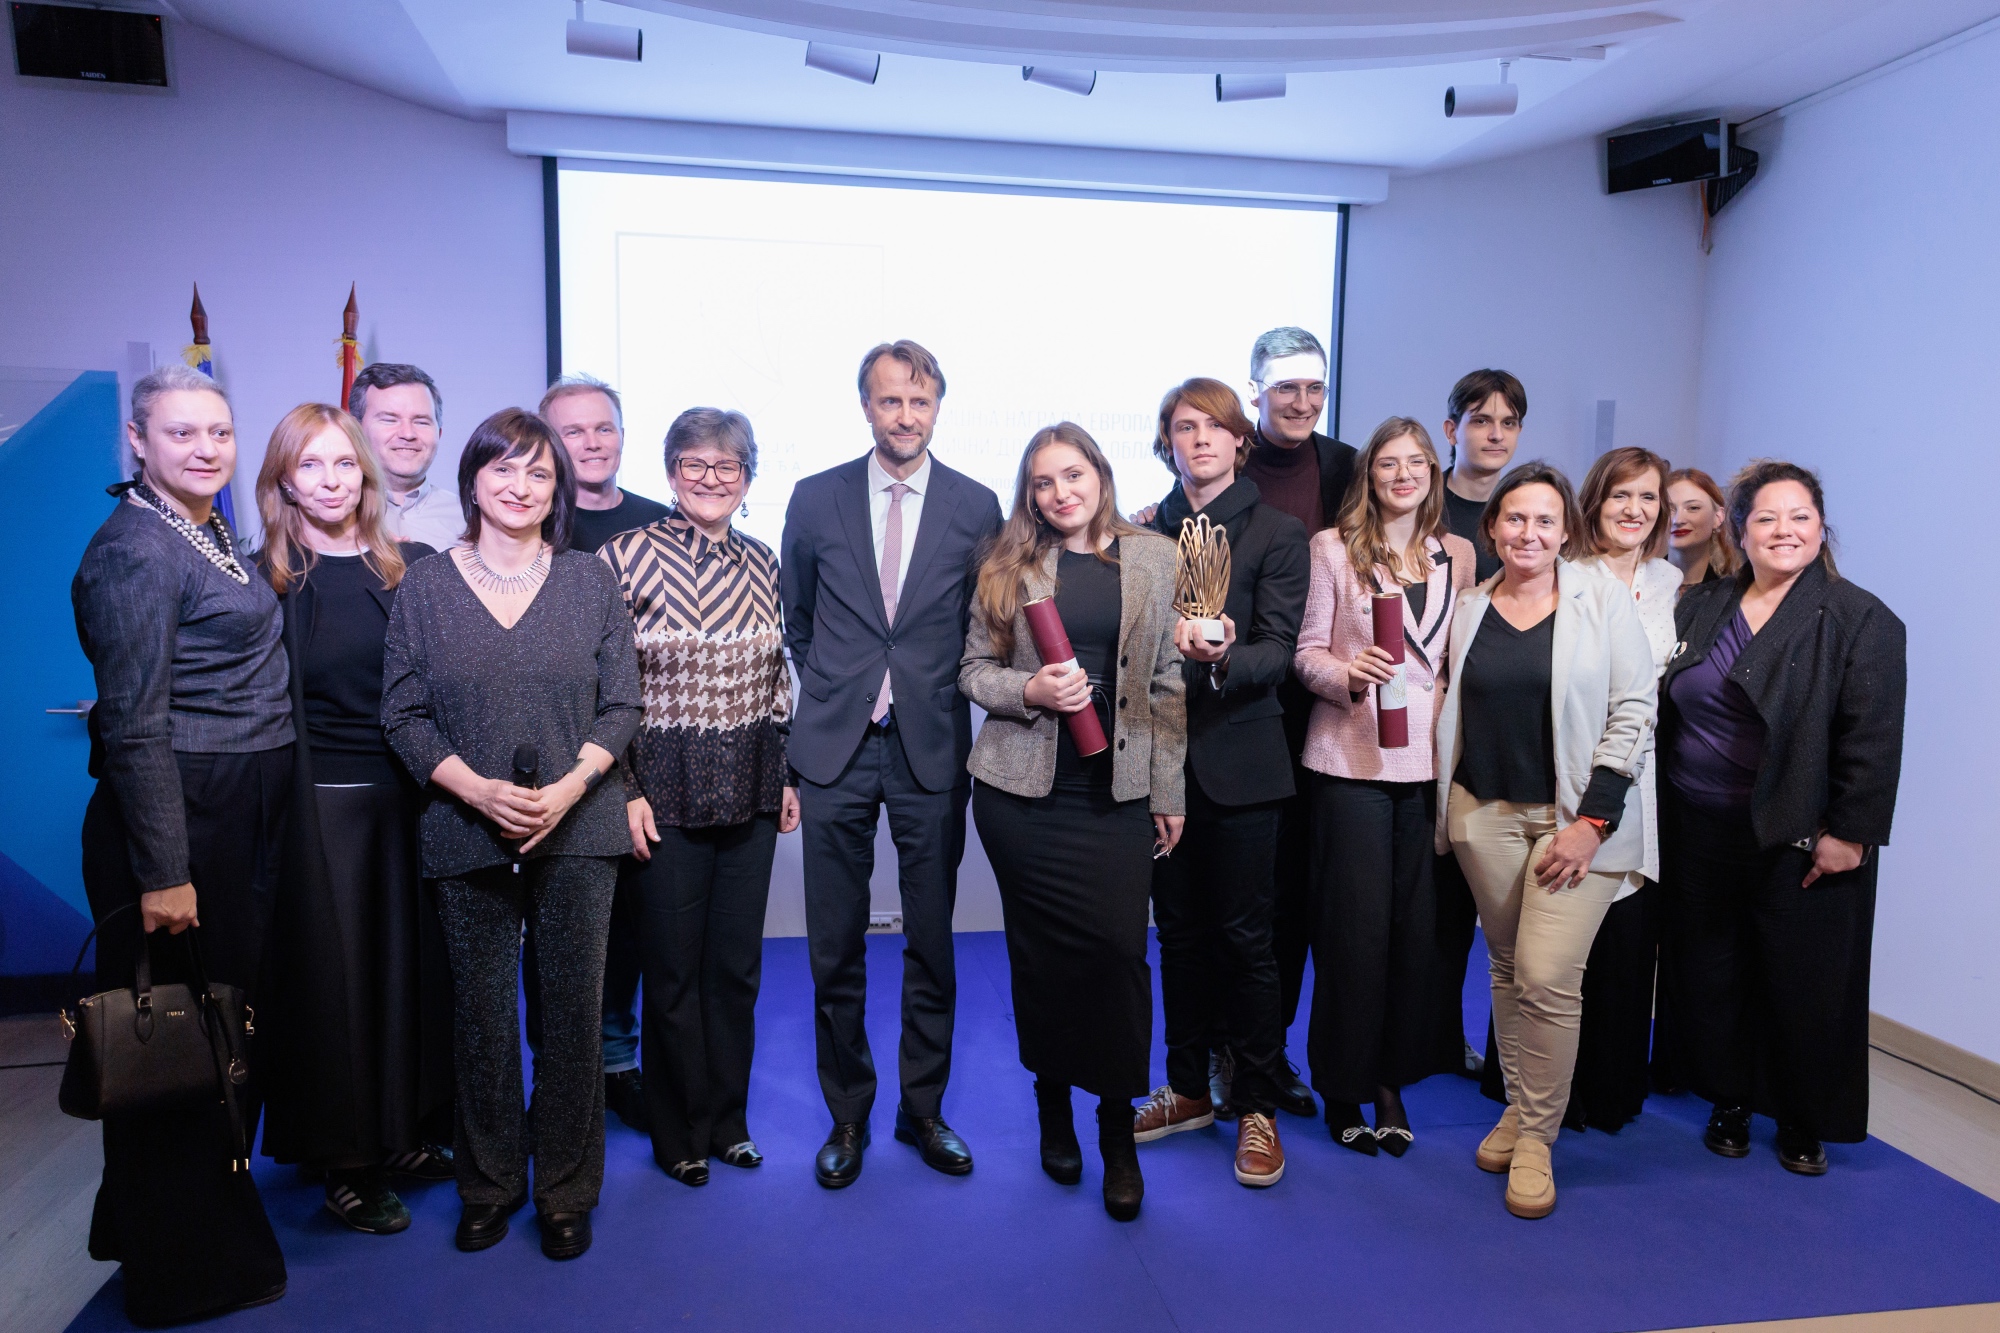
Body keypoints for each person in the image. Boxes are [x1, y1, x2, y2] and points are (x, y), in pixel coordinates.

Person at [381, 408, 641, 1261]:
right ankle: (489, 1184)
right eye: (504, 468)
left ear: (557, 489)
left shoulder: (589, 580)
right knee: (482, 1017)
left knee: (571, 1015)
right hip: (466, 828)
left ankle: (567, 1189)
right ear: (473, 480)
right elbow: (403, 715)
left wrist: (567, 790)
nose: (520, 486)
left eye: (539, 472)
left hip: (581, 825)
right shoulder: (425, 585)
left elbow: (622, 705)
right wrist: (479, 791)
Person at [71, 364, 292, 1325]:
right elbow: (132, 723)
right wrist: (165, 871)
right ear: (138, 440)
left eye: (220, 432)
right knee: (179, 1042)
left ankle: (148, 1226)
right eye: (182, 433)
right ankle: (185, 1270)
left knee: (215, 1032)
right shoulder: (134, 549)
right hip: (179, 820)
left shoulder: (203, 529)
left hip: (231, 807)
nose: (207, 449)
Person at [780, 340, 1004, 1188]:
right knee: (834, 943)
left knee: (932, 939)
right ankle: (848, 1113)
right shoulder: (815, 496)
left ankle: (923, 1109)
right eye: (889, 401)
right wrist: (846, 685)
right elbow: (799, 617)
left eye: (919, 401)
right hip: (834, 747)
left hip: (930, 745)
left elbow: (983, 621)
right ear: (865, 407)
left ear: (937, 407)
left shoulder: (976, 504)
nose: (904, 416)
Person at [960, 423, 1185, 1220]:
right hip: (1023, 799)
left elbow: (1167, 682)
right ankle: (1052, 1103)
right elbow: (972, 670)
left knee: (1120, 957)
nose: (1060, 493)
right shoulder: (1007, 566)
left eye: (1073, 475)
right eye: (1043, 482)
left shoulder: (1155, 556)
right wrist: (1029, 691)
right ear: (1029, 494)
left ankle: (1117, 1128)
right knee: (1042, 958)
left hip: (1115, 796)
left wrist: (1168, 791)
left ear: (1100, 474)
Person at [1660, 461, 1904, 1175]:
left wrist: (1850, 833)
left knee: (1805, 984)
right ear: (1740, 531)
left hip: (1803, 835)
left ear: (1822, 528)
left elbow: (1872, 737)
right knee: (1714, 971)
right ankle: (1730, 1099)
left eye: (1800, 516)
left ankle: (1802, 1116)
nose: (1783, 530)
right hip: (1699, 826)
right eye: (1766, 518)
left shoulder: (1860, 618)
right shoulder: (1702, 604)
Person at [1432, 462, 1656, 1219]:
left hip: (1576, 825)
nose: (1528, 533)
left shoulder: (1601, 598)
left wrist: (1593, 823)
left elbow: (1635, 708)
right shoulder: (1470, 605)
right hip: (1483, 815)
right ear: (1492, 527)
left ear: (1566, 531)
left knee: (1546, 974)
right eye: (1515, 518)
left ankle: (1536, 1137)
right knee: (1505, 968)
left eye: (1544, 520)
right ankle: (1517, 1109)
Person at [251, 404, 452, 1235]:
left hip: (407, 803)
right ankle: (345, 1162)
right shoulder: (264, 580)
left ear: (365, 474)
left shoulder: (408, 570)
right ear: (284, 480)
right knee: (338, 991)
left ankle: (397, 1133)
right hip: (318, 813)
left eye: (344, 463)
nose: (331, 481)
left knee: (405, 978)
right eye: (311, 465)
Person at [599, 408, 798, 1186]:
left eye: (727, 466)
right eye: (694, 464)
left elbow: (777, 679)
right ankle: (678, 1130)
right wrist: (623, 788)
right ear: (670, 470)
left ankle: (728, 1121)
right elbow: (602, 686)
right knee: (673, 969)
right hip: (662, 791)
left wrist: (785, 774)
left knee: (735, 969)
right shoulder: (622, 557)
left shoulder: (764, 561)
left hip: (751, 785)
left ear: (747, 478)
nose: (711, 479)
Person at [1138, 378, 1308, 1187]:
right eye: (1184, 426)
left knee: (1246, 940)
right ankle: (1185, 1087)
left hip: (1243, 763)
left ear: (1242, 441)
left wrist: (1223, 657)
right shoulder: (1142, 532)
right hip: (1159, 763)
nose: (1200, 438)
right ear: (1167, 443)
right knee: (1177, 935)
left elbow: (1280, 650)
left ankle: (1256, 1105)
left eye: (1215, 426)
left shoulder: (1277, 531)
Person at [1292, 418, 1475, 1156]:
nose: (1404, 475)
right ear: (1368, 474)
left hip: (1429, 766)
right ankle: (1343, 1084)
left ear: (1433, 471)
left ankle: (1392, 1080)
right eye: (1389, 464)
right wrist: (1346, 674)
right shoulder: (1333, 548)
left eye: (1417, 463)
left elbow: (1458, 660)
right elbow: (1306, 652)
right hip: (1351, 763)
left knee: (1412, 936)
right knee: (1353, 934)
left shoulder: (1457, 553)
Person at [1487, 446, 1679, 1133]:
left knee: (1610, 954)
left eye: (1649, 497)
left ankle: (1594, 1094)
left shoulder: (1670, 581)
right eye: (1621, 494)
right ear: (1591, 507)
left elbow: (1645, 700)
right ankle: (1534, 1105)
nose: (1634, 508)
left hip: (1635, 788)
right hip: (1562, 785)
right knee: (1539, 963)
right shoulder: (1564, 578)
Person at [534, 373, 672, 1132]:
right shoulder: (530, 527)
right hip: (560, 763)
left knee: (633, 929)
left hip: (647, 757)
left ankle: (618, 1064)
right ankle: (560, 1075)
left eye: (604, 427)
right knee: (555, 935)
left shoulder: (661, 523)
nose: (591, 443)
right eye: (573, 430)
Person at [1431, 369, 1529, 1084]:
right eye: (1481, 419)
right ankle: (1429, 1036)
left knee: (1502, 912)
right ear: (1452, 429)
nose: (1495, 433)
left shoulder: (1527, 508)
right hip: (1422, 726)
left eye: (1508, 421)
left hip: (1502, 732)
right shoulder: (1420, 500)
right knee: (1434, 904)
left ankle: (1500, 1054)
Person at [350, 362, 463, 552]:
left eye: (421, 422)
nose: (407, 434)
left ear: (439, 433)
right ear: (355, 429)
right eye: (389, 420)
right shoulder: (329, 514)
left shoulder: (471, 520)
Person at [1666, 466, 1738, 591]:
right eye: (1669, 509)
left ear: (1718, 517)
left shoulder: (1733, 591)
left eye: (1693, 508)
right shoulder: (1637, 581)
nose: (1678, 520)